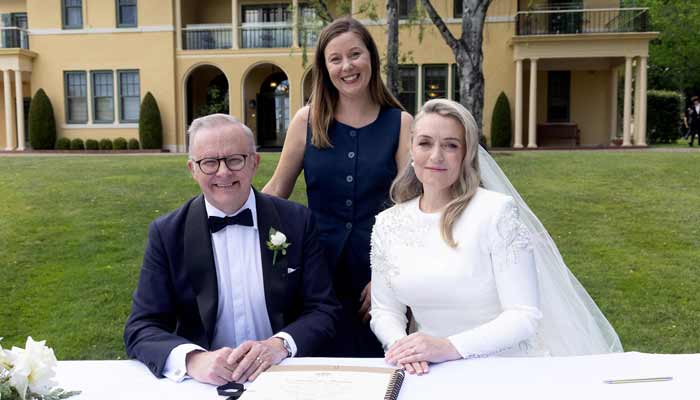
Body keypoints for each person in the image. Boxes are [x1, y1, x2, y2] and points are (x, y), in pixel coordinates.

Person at [370, 99, 623, 375]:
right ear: (411, 148)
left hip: (503, 367)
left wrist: (447, 347)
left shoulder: (495, 213)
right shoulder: (388, 223)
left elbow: (523, 315)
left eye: (451, 145)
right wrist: (403, 348)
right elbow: (385, 311)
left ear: (466, 154)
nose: (436, 156)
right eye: (425, 143)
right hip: (428, 370)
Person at [124, 114, 340, 385]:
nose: (223, 172)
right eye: (209, 162)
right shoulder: (167, 233)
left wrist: (279, 345)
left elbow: (324, 309)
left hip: (283, 377)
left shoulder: (297, 222)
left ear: (254, 162)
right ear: (193, 169)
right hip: (204, 386)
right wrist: (193, 360)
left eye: (235, 159)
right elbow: (141, 327)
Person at [262, 17, 412, 357]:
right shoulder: (307, 120)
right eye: (336, 59)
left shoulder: (401, 123)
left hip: (375, 277)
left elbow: (411, 210)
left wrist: (388, 280)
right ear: (324, 67)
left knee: (379, 368)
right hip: (316, 273)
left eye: (355, 54)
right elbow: (277, 189)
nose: (347, 66)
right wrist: (226, 212)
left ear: (371, 57)